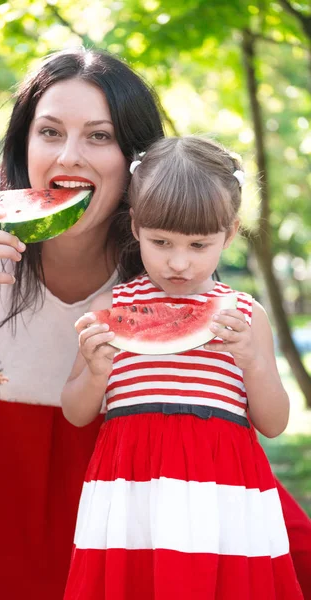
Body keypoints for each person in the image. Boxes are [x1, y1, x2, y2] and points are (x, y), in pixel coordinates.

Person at [0, 48, 310, 600]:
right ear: (23, 141)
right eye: (49, 132)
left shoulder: (161, 238)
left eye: (99, 136)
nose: (69, 157)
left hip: (125, 454)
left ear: (135, 157)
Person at [61, 136, 304, 599]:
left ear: (229, 235)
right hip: (132, 491)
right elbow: (75, 412)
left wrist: (251, 360)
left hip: (221, 492)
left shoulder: (245, 315)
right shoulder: (110, 306)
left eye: (198, 244)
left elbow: (274, 423)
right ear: (135, 227)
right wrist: (95, 374)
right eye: (161, 242)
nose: (178, 262)